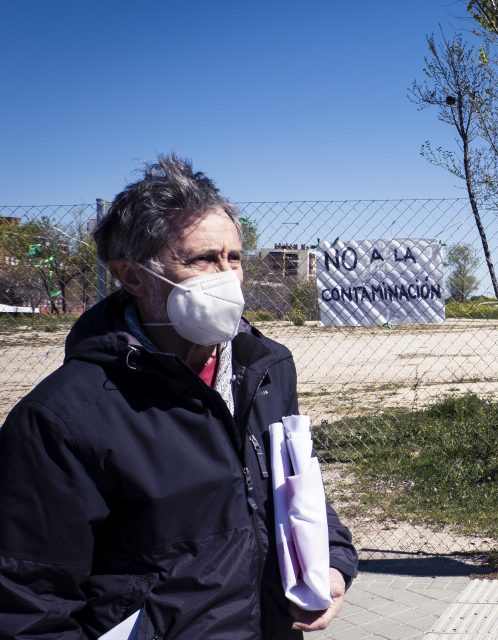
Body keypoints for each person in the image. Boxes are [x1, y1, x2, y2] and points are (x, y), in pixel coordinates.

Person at [0, 155, 358, 638]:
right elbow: (28, 602)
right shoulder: (61, 420)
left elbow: (297, 486)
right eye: (202, 259)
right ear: (131, 277)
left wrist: (332, 561)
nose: (227, 277)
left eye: (234, 259)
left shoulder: (266, 370)